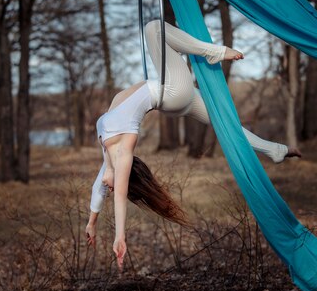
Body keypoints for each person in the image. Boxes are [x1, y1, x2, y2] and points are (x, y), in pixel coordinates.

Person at [85, 20, 302, 270]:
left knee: (227, 127)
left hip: (174, 98)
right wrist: (119, 236)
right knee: (153, 29)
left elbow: (97, 190)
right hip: (174, 93)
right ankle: (215, 52)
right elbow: (120, 196)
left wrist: (92, 222)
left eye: (110, 188)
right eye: (114, 187)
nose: (109, 188)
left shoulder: (108, 156)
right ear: (127, 174)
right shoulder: (122, 151)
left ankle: (275, 150)